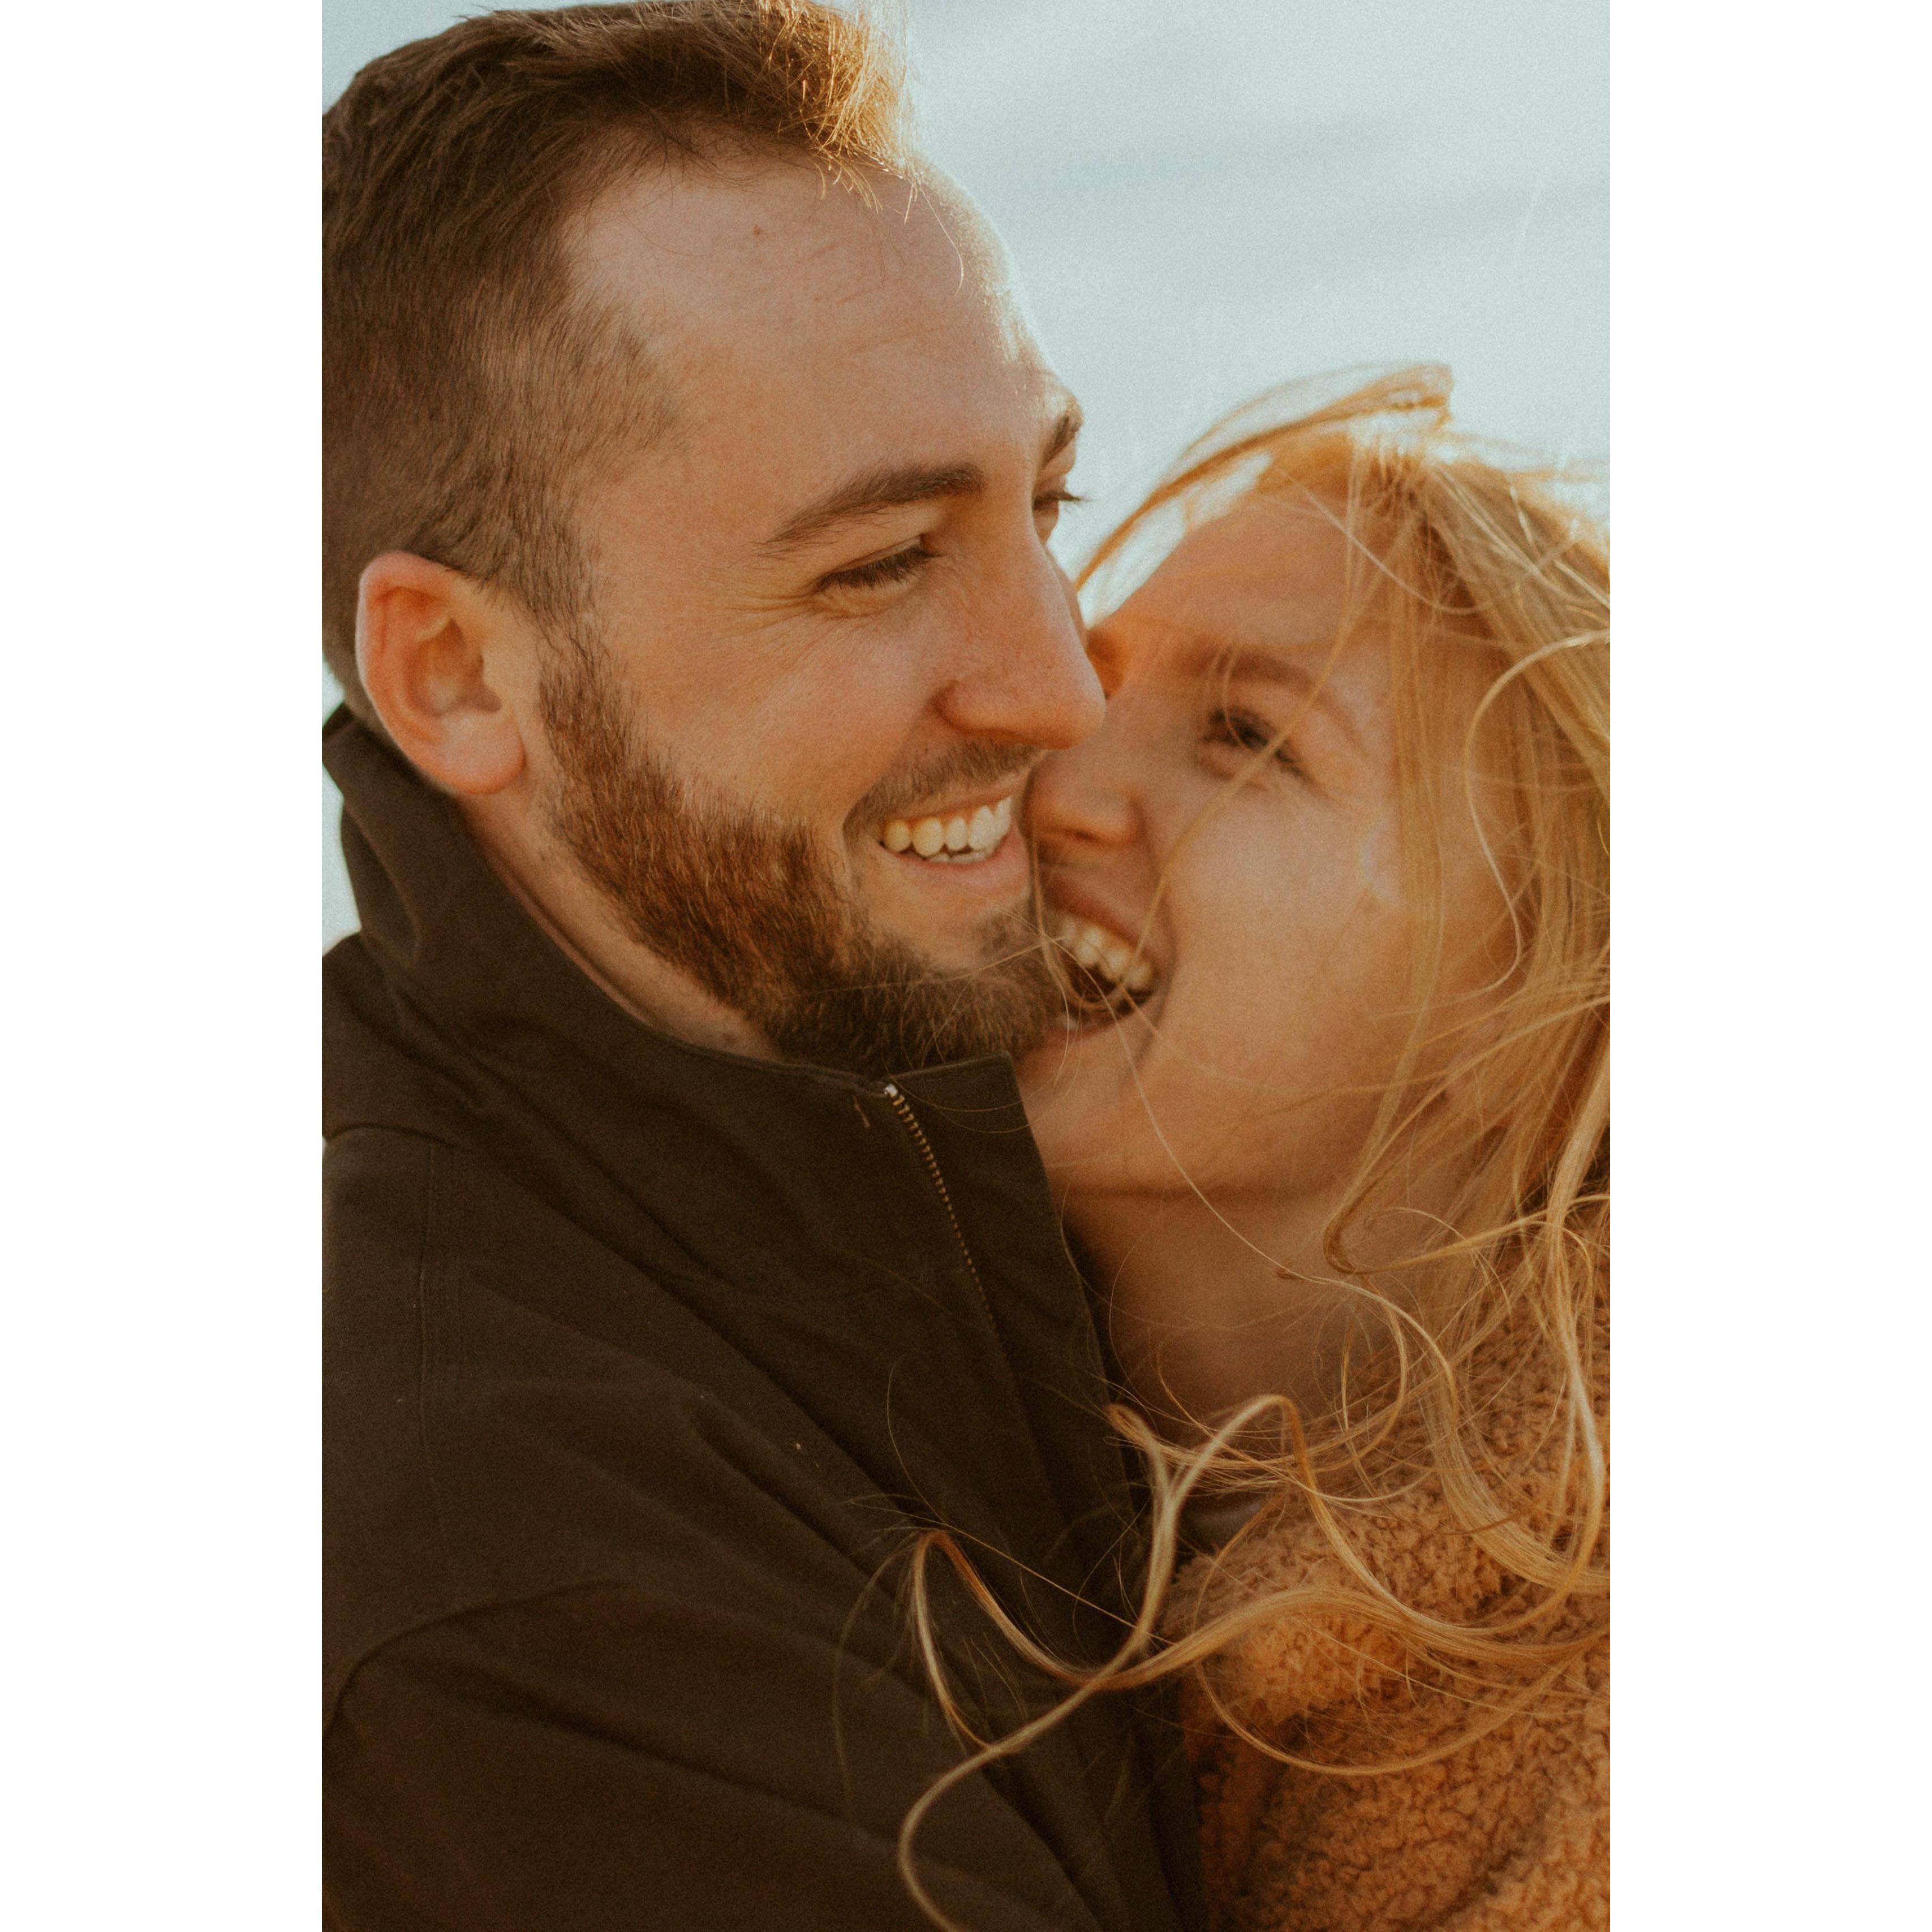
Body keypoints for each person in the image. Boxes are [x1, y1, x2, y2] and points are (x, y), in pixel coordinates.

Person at [321, 6, 1204, 1930]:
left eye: (1038, 509)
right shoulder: (504, 1579)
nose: (1059, 681)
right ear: (460, 678)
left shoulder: (1031, 1183)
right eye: (883, 564)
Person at [907, 369, 1609, 1930]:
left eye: (1245, 736)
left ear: (1549, 1027)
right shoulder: (838, 1434)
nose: (1057, 789)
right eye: (1085, 696)